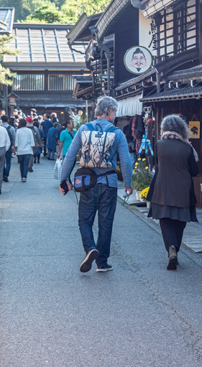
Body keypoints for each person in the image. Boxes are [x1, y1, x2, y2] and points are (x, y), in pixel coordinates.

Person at [59, 96, 133, 273]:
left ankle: (90, 248)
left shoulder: (84, 129)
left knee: (84, 219)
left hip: (87, 183)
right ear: (108, 112)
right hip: (109, 183)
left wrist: (64, 179)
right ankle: (102, 262)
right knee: (106, 222)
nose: (115, 115)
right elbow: (126, 161)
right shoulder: (117, 133)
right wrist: (128, 184)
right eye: (114, 112)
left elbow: (70, 155)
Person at [146, 115, 199, 270]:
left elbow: (156, 164)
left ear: (164, 129)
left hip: (162, 188)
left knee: (165, 220)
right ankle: (175, 248)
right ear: (182, 129)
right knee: (180, 222)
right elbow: (195, 171)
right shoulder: (187, 147)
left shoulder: (159, 145)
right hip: (183, 190)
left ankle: (171, 248)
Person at [14, 118, 34, 182]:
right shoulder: (29, 131)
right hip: (28, 150)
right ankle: (24, 177)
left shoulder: (18, 131)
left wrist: (15, 149)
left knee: (21, 164)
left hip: (20, 150)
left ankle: (22, 175)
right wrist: (32, 149)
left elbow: (16, 142)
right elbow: (32, 141)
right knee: (26, 164)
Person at [1, 115, 16, 183]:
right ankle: (6, 175)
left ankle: (3, 174)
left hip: (1, 146)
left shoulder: (0, 128)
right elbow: (13, 138)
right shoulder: (11, 128)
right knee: (8, 162)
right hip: (9, 146)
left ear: (1, 120)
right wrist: (14, 147)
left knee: (2, 162)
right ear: (8, 120)